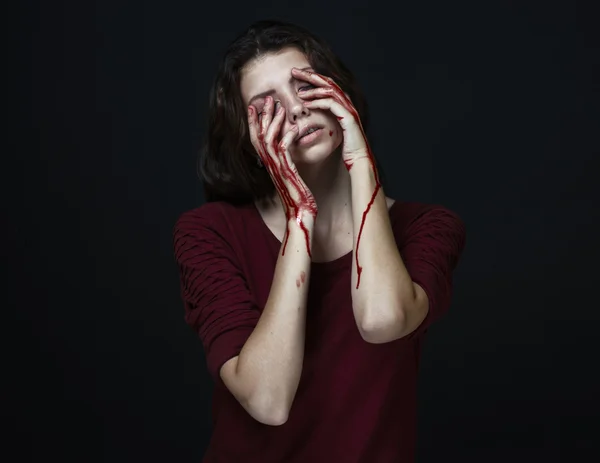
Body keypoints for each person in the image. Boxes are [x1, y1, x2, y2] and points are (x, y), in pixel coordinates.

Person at [173, 19, 466, 463]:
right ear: (247, 137)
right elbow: (268, 400)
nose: (294, 110)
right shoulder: (207, 232)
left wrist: (359, 157)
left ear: (338, 92)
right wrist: (301, 215)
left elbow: (382, 319)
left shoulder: (429, 226)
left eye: (304, 87)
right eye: (267, 107)